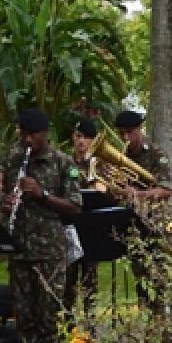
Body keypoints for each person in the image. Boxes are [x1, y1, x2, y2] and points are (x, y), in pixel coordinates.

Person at [0, 107, 82, 343]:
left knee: (48, 318)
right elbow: (4, 197)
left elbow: (75, 206)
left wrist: (42, 194)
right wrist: (6, 203)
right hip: (19, 250)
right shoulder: (13, 159)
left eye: (32, 134)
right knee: (24, 317)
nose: (27, 139)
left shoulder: (62, 163)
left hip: (49, 252)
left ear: (45, 134)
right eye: (23, 134)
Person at [64, 119, 101, 317]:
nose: (81, 142)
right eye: (78, 136)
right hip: (70, 225)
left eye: (86, 137)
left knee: (90, 277)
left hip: (90, 226)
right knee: (68, 277)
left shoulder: (98, 164)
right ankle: (67, 323)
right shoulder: (65, 162)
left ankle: (91, 322)